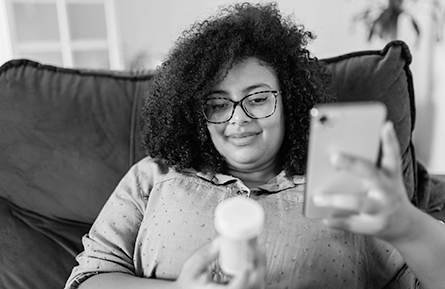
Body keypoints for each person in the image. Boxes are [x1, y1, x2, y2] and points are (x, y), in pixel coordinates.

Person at [65, 2, 445, 289]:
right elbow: (89, 278)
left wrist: (408, 227)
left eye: (258, 98)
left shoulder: (343, 185)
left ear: (290, 101)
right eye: (217, 103)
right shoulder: (154, 177)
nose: (238, 118)